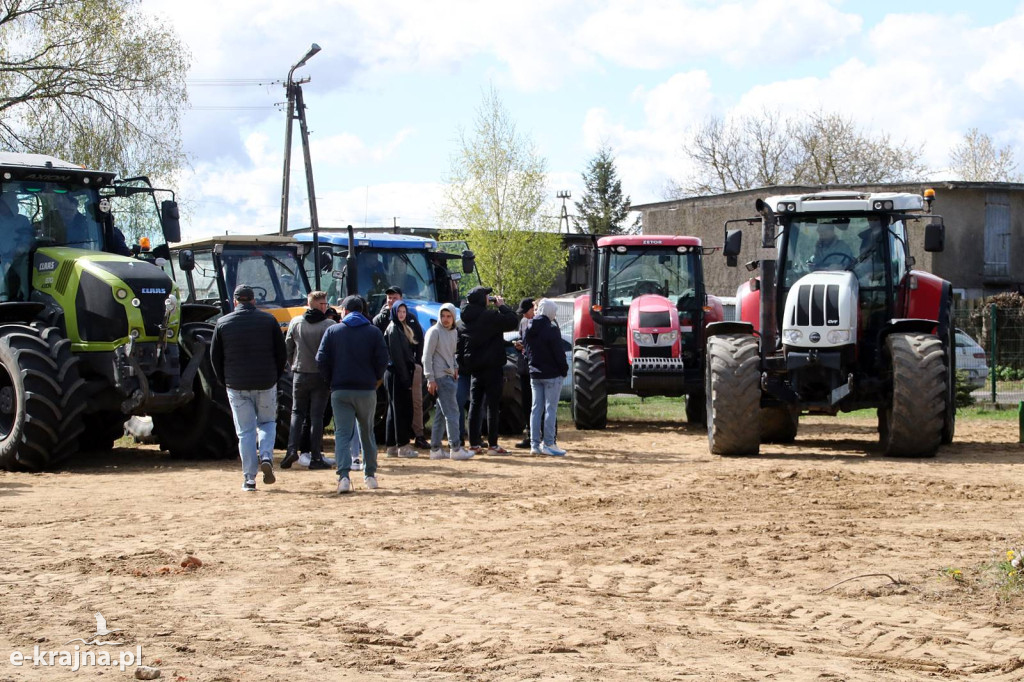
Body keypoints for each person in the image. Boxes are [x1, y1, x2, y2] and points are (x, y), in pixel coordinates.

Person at [211, 284, 287, 492]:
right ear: (254, 300)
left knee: (245, 432)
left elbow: (215, 357)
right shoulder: (269, 320)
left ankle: (249, 480)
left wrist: (224, 380)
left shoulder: (222, 323)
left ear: (235, 302)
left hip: (236, 385)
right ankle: (267, 456)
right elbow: (282, 353)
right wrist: (275, 376)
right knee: (267, 422)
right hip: (265, 382)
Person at [317, 295, 389, 493]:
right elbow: (383, 359)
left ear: (345, 311)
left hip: (340, 389)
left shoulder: (333, 331)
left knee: (342, 434)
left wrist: (331, 380)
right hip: (366, 389)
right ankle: (370, 475)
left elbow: (321, 359)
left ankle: (343, 477)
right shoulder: (373, 332)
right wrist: (375, 378)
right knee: (367, 432)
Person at [458, 286, 518, 454]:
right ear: (482, 299)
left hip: (475, 369)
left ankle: (474, 444)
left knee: (475, 405)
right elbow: (513, 321)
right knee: (492, 406)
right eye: (487, 296)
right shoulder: (489, 316)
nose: (489, 298)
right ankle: (492, 445)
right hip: (492, 368)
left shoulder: (465, 318)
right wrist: (501, 306)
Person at [282, 290, 335, 471]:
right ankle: (316, 456)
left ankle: (291, 450)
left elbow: (288, 348)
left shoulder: (296, 322)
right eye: (325, 303)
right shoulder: (329, 324)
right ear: (320, 305)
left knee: (297, 413)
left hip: (300, 373)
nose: (326, 306)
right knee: (316, 417)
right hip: (320, 376)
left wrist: (294, 364)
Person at [373, 285, 429, 448]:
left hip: (408, 368)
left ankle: (417, 434)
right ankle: (398, 442)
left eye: (395, 297)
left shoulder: (410, 319)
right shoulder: (382, 322)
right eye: (389, 297)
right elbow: (390, 351)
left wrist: (417, 362)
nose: (391, 300)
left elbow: (419, 341)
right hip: (391, 369)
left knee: (414, 403)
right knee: (394, 406)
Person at [423, 303, 472, 460]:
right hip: (440, 377)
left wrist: (456, 367)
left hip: (450, 376)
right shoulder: (434, 332)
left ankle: (435, 449)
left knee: (441, 413)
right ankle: (456, 448)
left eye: (448, 316)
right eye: (443, 316)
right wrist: (430, 378)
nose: (445, 319)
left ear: (453, 317)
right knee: (452, 412)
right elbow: (427, 357)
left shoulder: (453, 332)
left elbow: (452, 354)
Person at [524, 299, 569, 456]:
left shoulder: (528, 328)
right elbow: (559, 353)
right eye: (554, 311)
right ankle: (549, 443)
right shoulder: (552, 329)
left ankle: (534, 444)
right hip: (552, 375)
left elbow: (527, 351)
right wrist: (564, 370)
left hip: (535, 374)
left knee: (536, 409)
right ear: (549, 311)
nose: (555, 314)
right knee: (550, 409)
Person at [384, 299, 417, 458]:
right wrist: (405, 379)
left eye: (404, 312)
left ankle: (391, 446)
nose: (402, 314)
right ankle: (402, 446)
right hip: (397, 374)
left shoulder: (401, 327)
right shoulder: (393, 329)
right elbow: (397, 357)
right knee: (400, 410)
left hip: (398, 373)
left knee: (394, 409)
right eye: (399, 312)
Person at [513, 298, 535, 449]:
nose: (524, 316)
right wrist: (518, 344)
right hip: (524, 368)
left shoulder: (540, 322)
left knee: (539, 403)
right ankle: (529, 434)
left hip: (536, 368)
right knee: (527, 402)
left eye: (525, 312)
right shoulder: (523, 322)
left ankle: (545, 434)